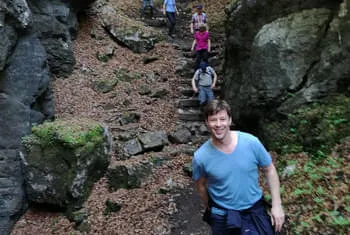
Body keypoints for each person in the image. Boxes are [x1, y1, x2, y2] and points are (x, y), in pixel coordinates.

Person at [192, 99, 285, 235]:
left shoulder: (251, 142)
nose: (218, 124)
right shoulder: (201, 157)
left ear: (230, 120)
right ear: (207, 122)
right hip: (223, 214)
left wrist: (277, 205)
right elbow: (200, 185)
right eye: (213, 120)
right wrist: (209, 207)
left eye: (222, 119)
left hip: (254, 210)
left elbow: (269, 169)